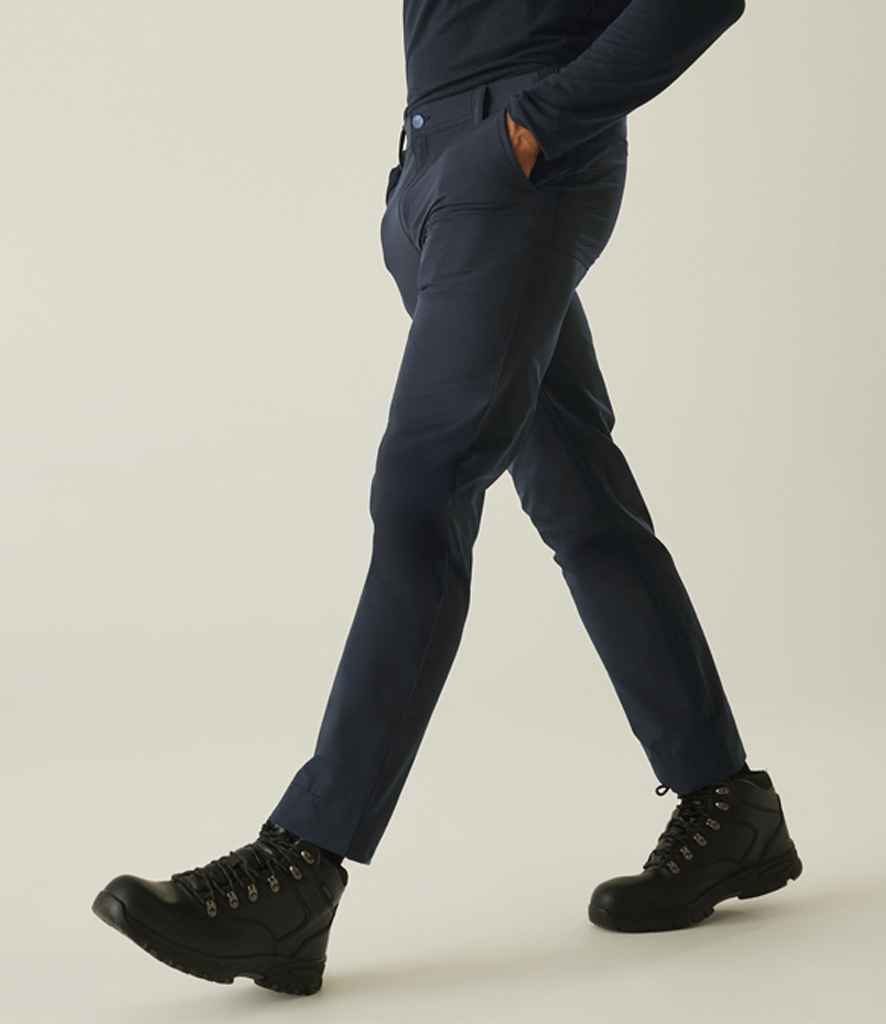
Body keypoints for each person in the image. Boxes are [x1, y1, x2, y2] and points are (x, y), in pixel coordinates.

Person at [92, 0, 802, 995]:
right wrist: (430, 172)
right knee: (581, 499)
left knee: (422, 492)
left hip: (513, 157)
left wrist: (531, 126)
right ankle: (728, 806)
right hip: (440, 169)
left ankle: (301, 865)